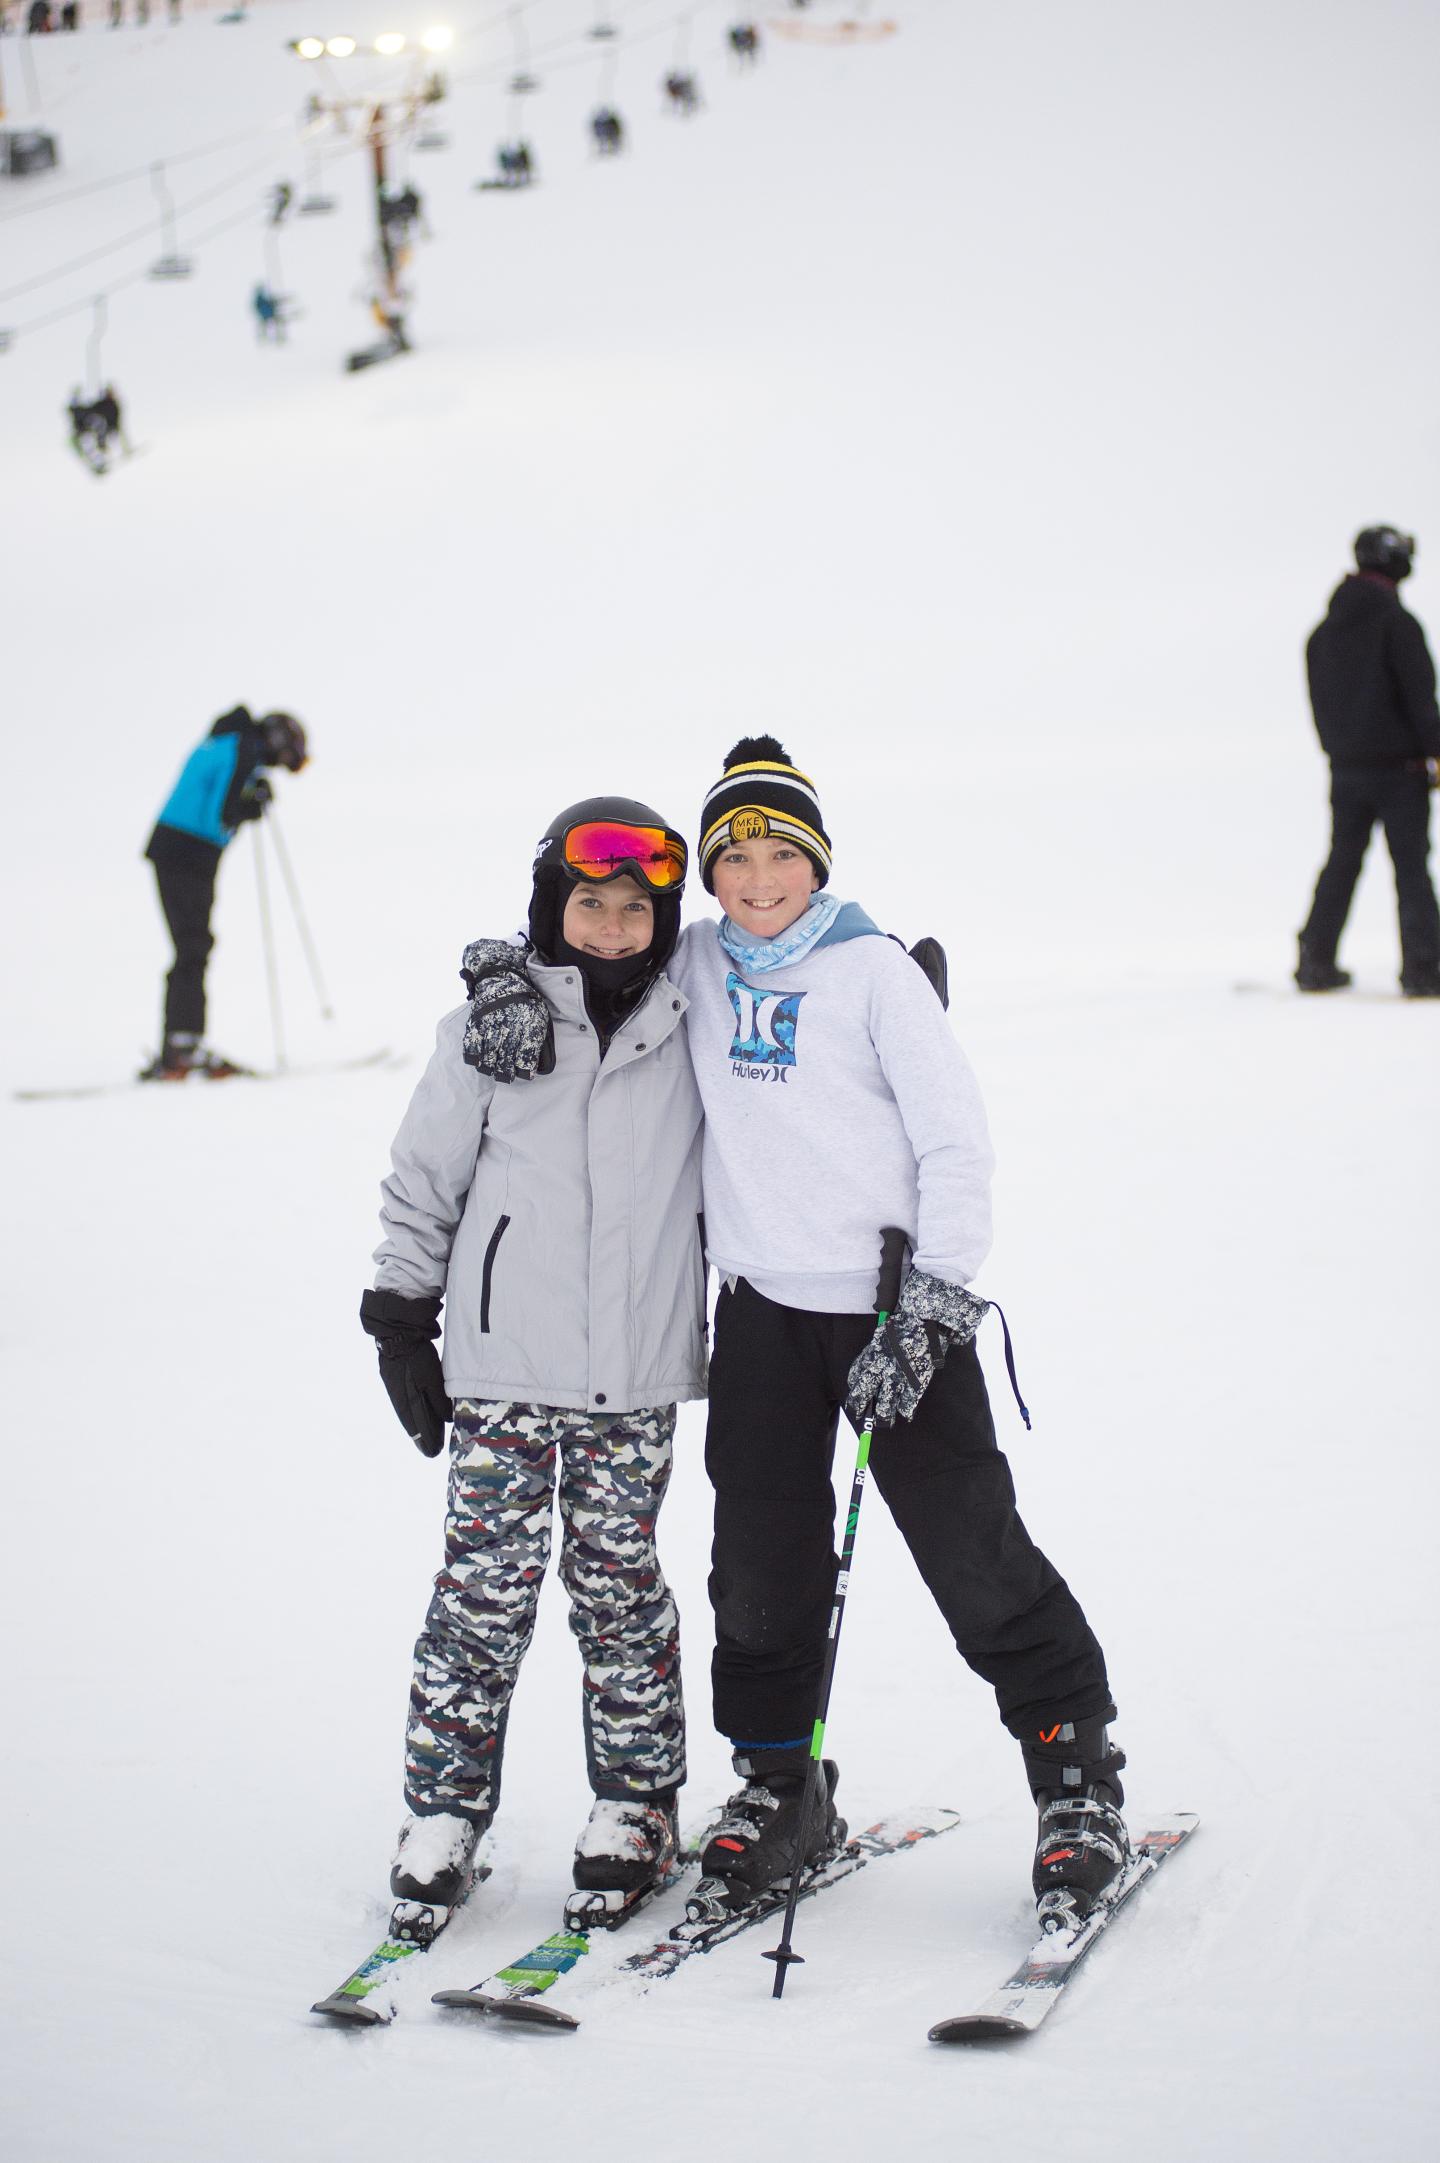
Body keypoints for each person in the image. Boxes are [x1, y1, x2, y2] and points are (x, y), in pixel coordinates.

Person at [459, 740, 1130, 1932]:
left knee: (970, 1549)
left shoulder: (875, 974)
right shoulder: (698, 961)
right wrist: (503, 977)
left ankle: (1074, 1778)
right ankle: (779, 1782)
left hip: (891, 1314)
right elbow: (585, 949)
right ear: (708, 875)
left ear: (816, 863)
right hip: (762, 1316)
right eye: (734, 856)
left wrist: (936, 1301)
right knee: (759, 1566)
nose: (757, 877)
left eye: (781, 855)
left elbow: (957, 1151)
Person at [360, 797, 707, 1924]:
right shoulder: (491, 1029)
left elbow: (788, 963)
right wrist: (402, 1319)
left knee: (619, 1593)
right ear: (551, 909)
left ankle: (636, 1805)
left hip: (635, 1374)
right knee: (480, 1596)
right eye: (589, 903)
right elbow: (424, 1182)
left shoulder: (695, 1017)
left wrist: (885, 983)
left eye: (635, 908)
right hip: (505, 1374)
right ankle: (444, 1811)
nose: (612, 927)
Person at [1296, 526, 1440, 997]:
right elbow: (1422, 702)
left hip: (1346, 769)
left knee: (1341, 862)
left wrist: (1341, 752)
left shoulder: (1324, 632)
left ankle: (1315, 960)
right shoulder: (1397, 624)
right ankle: (1424, 970)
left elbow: (1321, 704)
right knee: (1412, 869)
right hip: (1400, 771)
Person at [141, 708, 308, 1079]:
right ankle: (182, 1050)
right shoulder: (244, 749)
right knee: (193, 945)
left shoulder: (230, 742)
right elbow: (224, 814)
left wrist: (250, 796)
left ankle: (181, 1046)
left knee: (192, 945)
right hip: (187, 853)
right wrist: (251, 803)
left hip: (183, 852)